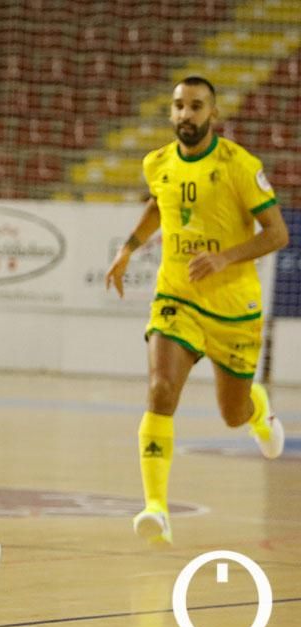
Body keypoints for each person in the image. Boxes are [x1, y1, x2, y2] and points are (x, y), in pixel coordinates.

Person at [105, 75, 288, 546]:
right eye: (179, 106)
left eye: (196, 107)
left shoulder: (239, 165)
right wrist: (128, 248)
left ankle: (258, 409)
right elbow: (159, 206)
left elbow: (277, 234)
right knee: (161, 388)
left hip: (233, 308)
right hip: (177, 295)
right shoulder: (157, 163)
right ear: (171, 113)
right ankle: (155, 508)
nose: (186, 115)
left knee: (233, 414)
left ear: (214, 115)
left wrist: (226, 257)